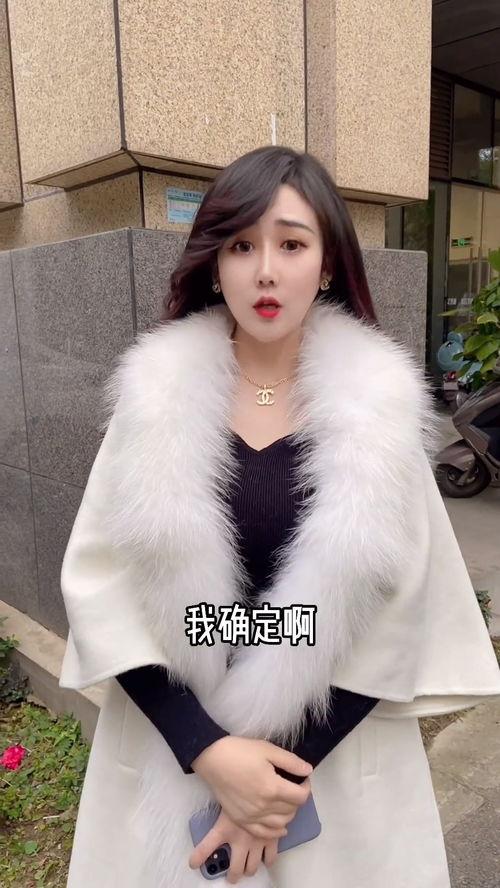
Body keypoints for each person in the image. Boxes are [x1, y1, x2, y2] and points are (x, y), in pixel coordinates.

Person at [59, 145, 500, 888]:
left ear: (326, 265)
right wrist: (207, 749)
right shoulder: (153, 403)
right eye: (240, 245)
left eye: (292, 245)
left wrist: (271, 789)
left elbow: (401, 603)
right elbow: (103, 587)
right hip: (172, 751)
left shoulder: (378, 413)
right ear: (214, 264)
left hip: (336, 765)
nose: (266, 270)